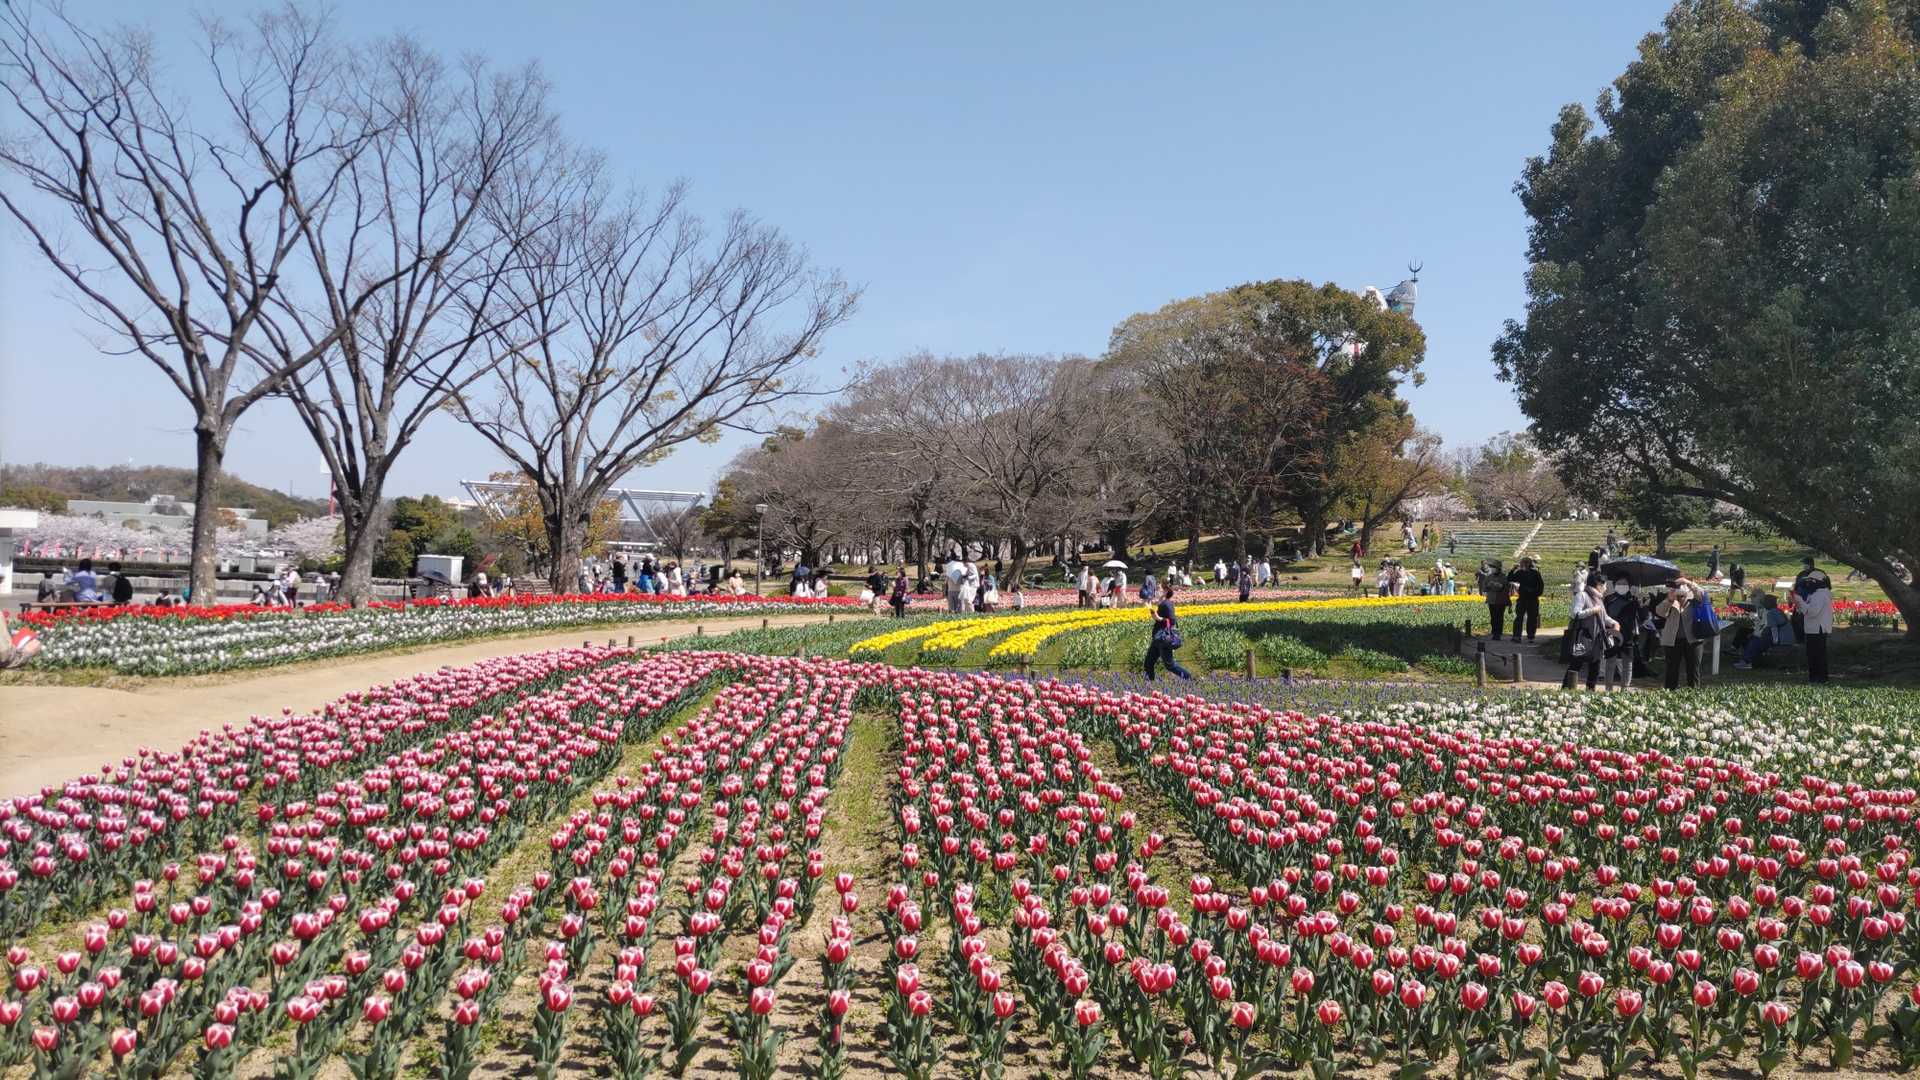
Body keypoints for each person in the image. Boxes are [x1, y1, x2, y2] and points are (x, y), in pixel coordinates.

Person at [1563, 574, 1617, 691]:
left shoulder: (1599, 599)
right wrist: (1592, 610)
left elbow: (1604, 617)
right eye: (1605, 585)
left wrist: (1614, 623)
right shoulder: (1582, 595)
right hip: (1583, 636)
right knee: (1576, 664)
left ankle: (1590, 692)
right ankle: (1566, 690)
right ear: (1598, 584)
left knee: (1595, 666)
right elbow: (1575, 614)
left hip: (1597, 637)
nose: (1606, 588)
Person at [1655, 577, 1704, 689]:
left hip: (1693, 640)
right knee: (1671, 670)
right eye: (1679, 595)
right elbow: (1660, 612)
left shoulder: (1694, 599)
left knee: (1693, 670)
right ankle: (1670, 693)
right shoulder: (1671, 599)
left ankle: (1694, 693)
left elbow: (1702, 595)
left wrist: (1689, 583)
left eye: (1683, 594)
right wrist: (1669, 600)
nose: (1681, 597)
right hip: (1673, 641)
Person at [1793, 557, 1834, 683]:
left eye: (1811, 581)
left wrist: (1800, 601)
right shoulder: (1817, 593)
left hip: (1817, 628)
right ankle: (1816, 677)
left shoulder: (1820, 594)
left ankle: (1819, 678)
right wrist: (1799, 603)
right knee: (1814, 654)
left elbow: (1812, 612)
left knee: (1816, 654)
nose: (1808, 584)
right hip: (1814, 628)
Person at [1144, 585, 1193, 682]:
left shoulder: (1167, 604)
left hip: (1164, 638)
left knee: (1170, 665)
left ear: (1165, 591)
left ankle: (1189, 678)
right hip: (1157, 639)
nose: (1156, 591)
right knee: (1148, 663)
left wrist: (1158, 617)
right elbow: (1160, 619)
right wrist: (1153, 612)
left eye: (1158, 589)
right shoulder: (1162, 603)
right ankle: (1149, 684)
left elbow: (1172, 621)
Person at [1734, 593, 1793, 669]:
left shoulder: (1771, 613)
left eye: (1765, 602)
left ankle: (1747, 662)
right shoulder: (1777, 611)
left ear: (1769, 603)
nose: (1763, 604)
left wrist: (1775, 641)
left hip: (1782, 639)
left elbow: (1774, 629)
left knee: (1755, 641)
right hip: (1786, 638)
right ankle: (1749, 660)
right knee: (1756, 639)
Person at [1602, 579, 1641, 690]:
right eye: (1619, 583)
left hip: (1628, 635)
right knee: (1610, 663)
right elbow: (1604, 617)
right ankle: (1608, 689)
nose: (1622, 586)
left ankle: (1625, 689)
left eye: (1625, 584)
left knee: (1627, 664)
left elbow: (1642, 617)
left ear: (1629, 586)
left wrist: (1642, 605)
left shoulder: (1634, 600)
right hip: (1612, 635)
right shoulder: (1608, 599)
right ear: (1614, 585)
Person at [1509, 557, 1545, 644]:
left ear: (1527, 564)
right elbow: (1510, 579)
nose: (1520, 565)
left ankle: (1531, 636)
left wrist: (1534, 592)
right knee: (1519, 617)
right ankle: (1517, 636)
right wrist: (1513, 570)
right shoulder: (1520, 572)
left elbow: (1540, 586)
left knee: (1532, 618)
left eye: (1522, 563)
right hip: (1522, 598)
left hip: (1533, 599)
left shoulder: (1535, 573)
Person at [1480, 560, 1511, 640]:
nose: (1492, 569)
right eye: (1492, 567)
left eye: (1494, 567)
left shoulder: (1503, 577)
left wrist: (1499, 586)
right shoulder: (1489, 577)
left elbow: (1506, 587)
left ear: (1498, 568)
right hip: (1491, 600)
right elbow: (1484, 588)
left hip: (1500, 600)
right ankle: (1494, 631)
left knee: (1499, 617)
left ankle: (1498, 633)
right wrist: (1489, 585)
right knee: (1493, 616)